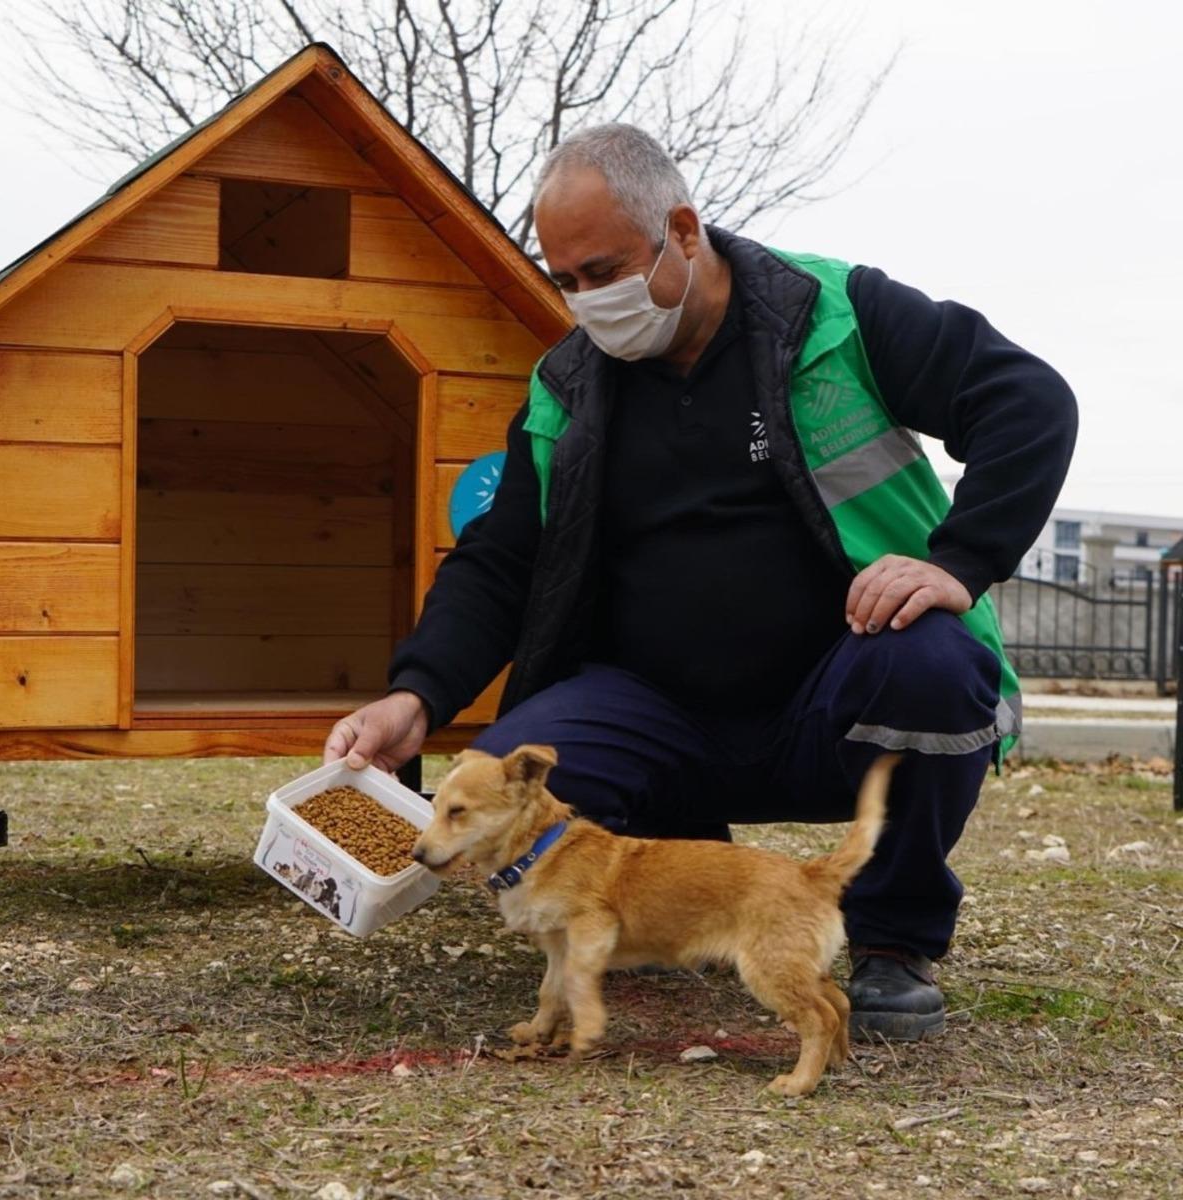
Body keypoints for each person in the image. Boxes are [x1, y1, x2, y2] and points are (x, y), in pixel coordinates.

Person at [324, 124, 1077, 1041]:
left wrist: (958, 561)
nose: (587, 302)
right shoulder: (567, 388)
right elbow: (500, 558)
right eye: (565, 281)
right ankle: (685, 901)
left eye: (603, 272)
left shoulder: (835, 313)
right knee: (520, 763)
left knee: (934, 669)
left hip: (831, 697)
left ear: (682, 231)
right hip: (657, 711)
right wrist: (417, 693)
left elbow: (1028, 402)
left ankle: (892, 941)